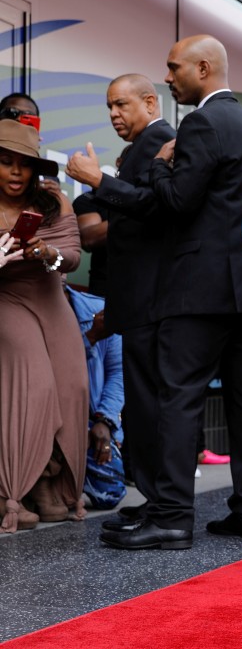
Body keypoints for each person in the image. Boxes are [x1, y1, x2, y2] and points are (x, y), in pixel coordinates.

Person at [97, 35, 242, 550]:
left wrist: (159, 164)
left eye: (174, 69)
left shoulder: (201, 122)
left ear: (203, 67)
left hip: (199, 290)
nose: (169, 78)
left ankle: (172, 516)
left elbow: (175, 202)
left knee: (178, 400)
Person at [66, 74, 176, 532]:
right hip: (125, 300)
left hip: (155, 299)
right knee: (143, 402)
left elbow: (160, 212)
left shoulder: (165, 141)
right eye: (109, 106)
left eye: (122, 104)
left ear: (150, 102)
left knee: (157, 403)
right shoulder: (140, 152)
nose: (113, 114)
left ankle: (166, 507)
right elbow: (95, 235)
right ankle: (155, 501)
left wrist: (106, 186)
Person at [0, 119, 89, 532]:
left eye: (25, 164)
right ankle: (12, 490)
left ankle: (50, 485)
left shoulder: (53, 201)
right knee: (36, 383)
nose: (16, 172)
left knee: (72, 386)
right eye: (5, 162)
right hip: (6, 297)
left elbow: (71, 257)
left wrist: (46, 251)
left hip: (49, 293)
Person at [65, 284, 127, 510]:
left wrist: (106, 420)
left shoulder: (96, 308)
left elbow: (119, 372)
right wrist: (89, 338)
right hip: (49, 417)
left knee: (110, 495)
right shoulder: (27, 309)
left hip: (89, 416)